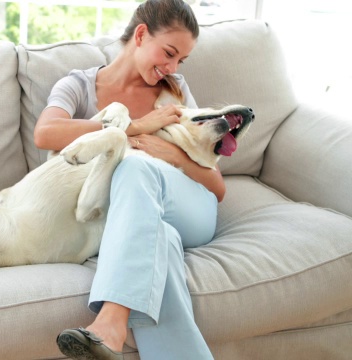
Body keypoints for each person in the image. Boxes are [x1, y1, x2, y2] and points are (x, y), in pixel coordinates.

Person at [33, 0, 222, 359]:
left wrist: (168, 153)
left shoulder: (175, 91)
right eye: (168, 53)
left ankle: (111, 322)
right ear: (140, 34)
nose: (171, 67)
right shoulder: (79, 85)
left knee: (134, 167)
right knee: (158, 241)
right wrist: (134, 127)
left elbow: (217, 185)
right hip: (135, 219)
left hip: (192, 208)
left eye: (180, 60)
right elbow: (45, 134)